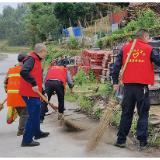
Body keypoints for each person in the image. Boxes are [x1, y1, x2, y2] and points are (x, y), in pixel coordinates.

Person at [111, 28, 160, 150]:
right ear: (145, 37)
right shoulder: (148, 49)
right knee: (143, 114)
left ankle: (121, 140)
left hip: (127, 88)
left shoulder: (125, 48)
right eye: (148, 38)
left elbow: (116, 65)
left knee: (126, 113)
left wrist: (115, 82)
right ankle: (142, 141)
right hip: (142, 88)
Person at [19, 43, 49, 147]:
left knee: (36, 113)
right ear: (41, 51)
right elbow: (23, 71)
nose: (46, 53)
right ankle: (26, 140)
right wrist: (33, 83)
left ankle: (37, 132)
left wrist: (43, 92)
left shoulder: (37, 61)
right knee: (33, 115)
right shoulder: (31, 59)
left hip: (35, 93)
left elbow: (37, 78)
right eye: (46, 51)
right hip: (29, 93)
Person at [40, 59, 75, 123]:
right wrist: (72, 89)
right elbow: (69, 80)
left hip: (49, 83)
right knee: (61, 100)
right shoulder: (64, 69)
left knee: (45, 100)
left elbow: (45, 79)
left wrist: (48, 89)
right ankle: (60, 117)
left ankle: (40, 119)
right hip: (59, 83)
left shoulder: (51, 68)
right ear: (64, 65)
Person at [4, 53, 28, 136]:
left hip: (12, 96)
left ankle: (24, 128)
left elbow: (5, 82)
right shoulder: (26, 70)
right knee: (24, 114)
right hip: (22, 96)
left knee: (21, 113)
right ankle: (21, 130)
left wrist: (8, 92)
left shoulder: (10, 70)